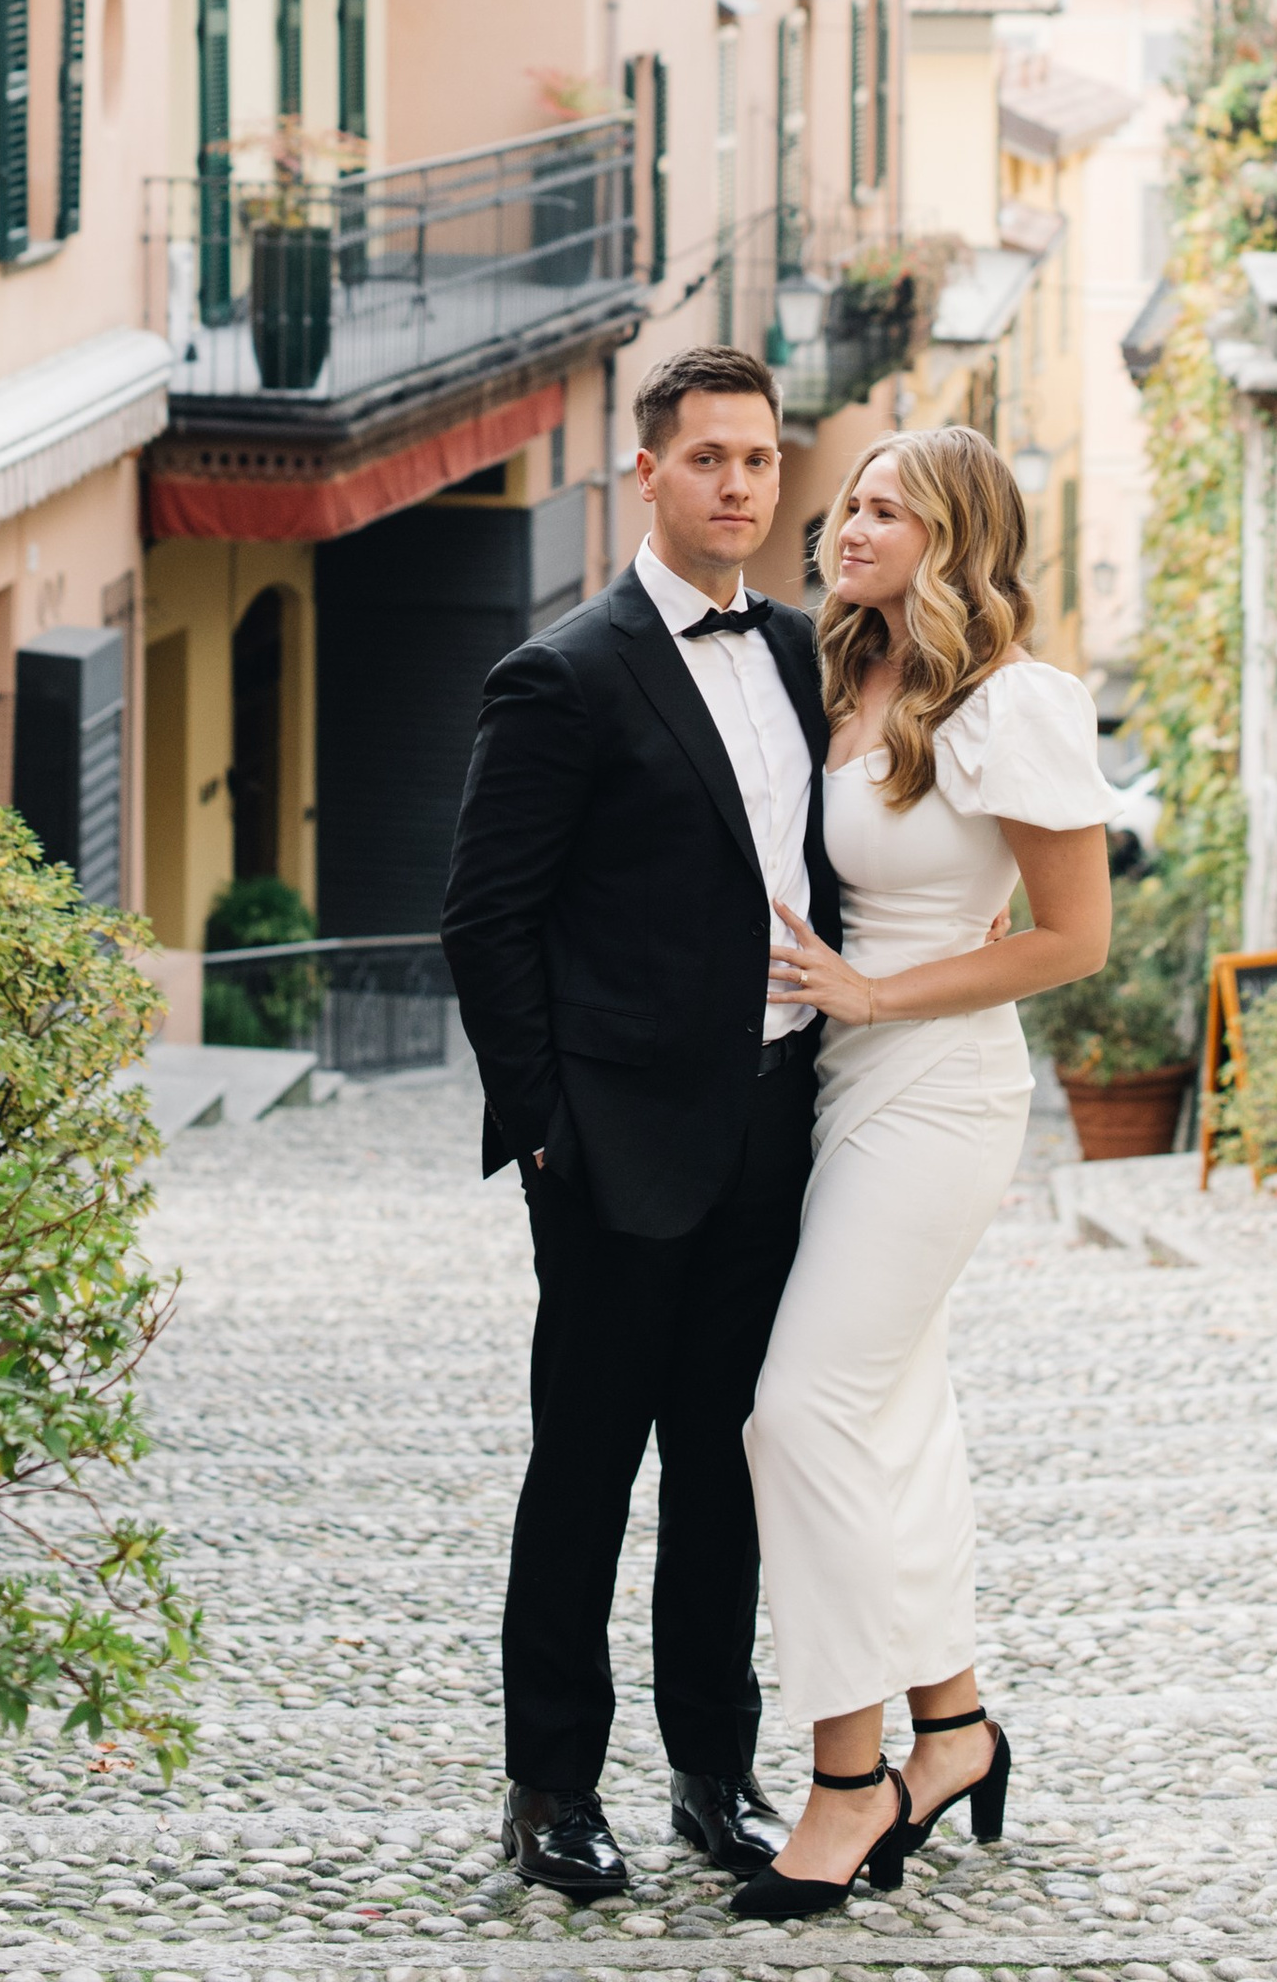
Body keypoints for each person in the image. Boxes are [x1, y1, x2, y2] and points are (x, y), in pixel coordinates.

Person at [440, 345, 836, 1904]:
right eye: (709, 459)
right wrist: (547, 1128)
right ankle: (551, 1791)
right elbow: (486, 918)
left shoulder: (806, 653)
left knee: (731, 1469)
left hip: (782, 1123)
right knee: (588, 1470)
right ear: (649, 472)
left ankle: (713, 1772)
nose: (739, 484)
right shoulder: (566, 671)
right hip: (614, 1148)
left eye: (759, 459)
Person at [727, 421, 1113, 1922]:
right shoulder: (839, 674)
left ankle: (849, 1776)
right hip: (838, 1083)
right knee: (888, 1418)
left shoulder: (1012, 704)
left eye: (888, 508)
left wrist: (877, 996)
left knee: (800, 1408)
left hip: (939, 1090)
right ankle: (953, 1727)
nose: (849, 526)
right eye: (851, 505)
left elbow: (1074, 940)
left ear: (953, 535)